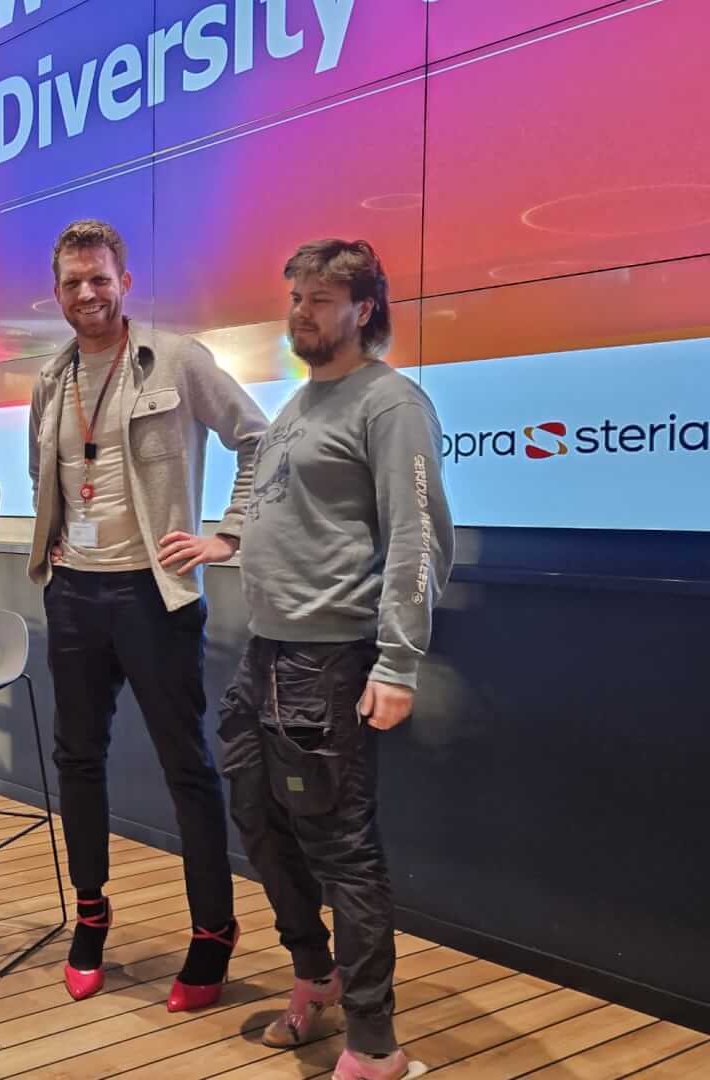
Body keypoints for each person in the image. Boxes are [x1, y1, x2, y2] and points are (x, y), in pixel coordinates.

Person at [219, 240, 453, 1080]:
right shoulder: (299, 402)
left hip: (334, 662)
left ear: (364, 308)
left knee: (342, 849)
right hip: (266, 657)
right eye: (295, 299)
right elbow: (276, 502)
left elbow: (419, 538)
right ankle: (314, 978)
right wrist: (227, 536)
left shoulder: (389, 404)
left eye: (321, 299)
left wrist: (396, 663)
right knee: (258, 819)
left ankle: (374, 1043)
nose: (302, 314)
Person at [28, 219, 268, 1010]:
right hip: (74, 593)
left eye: (99, 278)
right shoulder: (50, 378)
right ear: (57, 291)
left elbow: (259, 441)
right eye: (72, 282)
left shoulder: (178, 360)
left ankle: (212, 933)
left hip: (154, 596)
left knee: (186, 768)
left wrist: (226, 534)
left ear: (124, 282)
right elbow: (51, 476)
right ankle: (90, 916)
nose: (86, 293)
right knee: (78, 762)